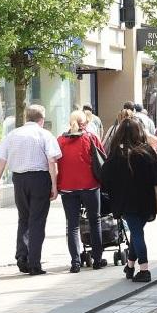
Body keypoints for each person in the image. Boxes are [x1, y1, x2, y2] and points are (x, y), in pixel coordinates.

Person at [0, 105, 62, 276]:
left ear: (26, 117)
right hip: (39, 178)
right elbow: (52, 162)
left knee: (23, 218)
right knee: (37, 220)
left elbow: (2, 161)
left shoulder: (13, 134)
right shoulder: (45, 134)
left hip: (19, 179)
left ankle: (22, 256)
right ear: (41, 119)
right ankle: (34, 263)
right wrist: (54, 185)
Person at [100, 118, 157, 282]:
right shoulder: (146, 151)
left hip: (126, 201)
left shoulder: (116, 154)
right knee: (137, 232)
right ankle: (130, 265)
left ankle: (144, 270)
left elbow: (104, 177)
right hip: (146, 201)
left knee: (136, 233)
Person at [56, 111, 108, 272]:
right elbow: (103, 157)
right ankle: (97, 259)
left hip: (67, 187)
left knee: (72, 225)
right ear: (85, 123)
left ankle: (75, 262)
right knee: (94, 221)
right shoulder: (91, 138)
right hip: (90, 186)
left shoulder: (60, 140)